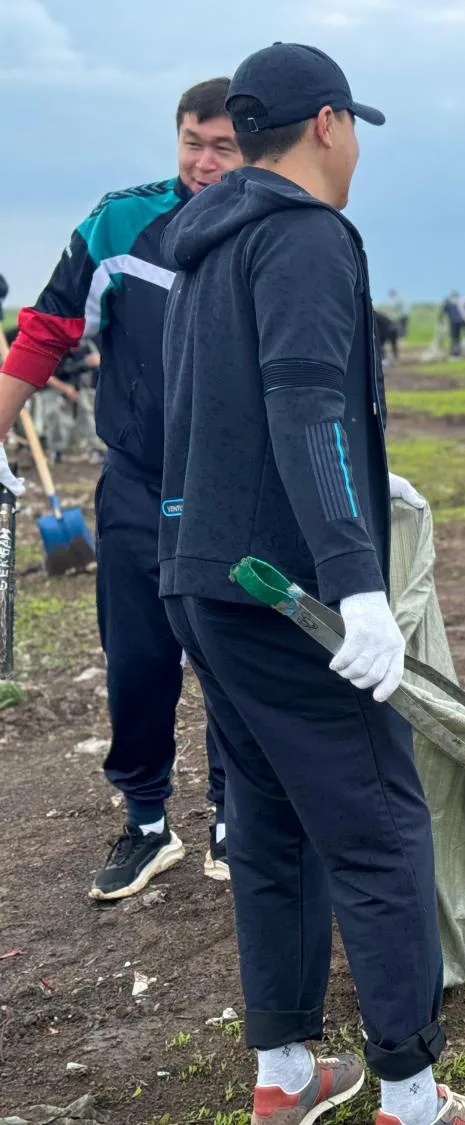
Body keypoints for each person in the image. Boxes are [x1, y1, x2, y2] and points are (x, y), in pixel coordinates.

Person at [158, 43, 465, 1125]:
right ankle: (410, 1093)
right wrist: (357, 582)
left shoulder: (203, 245)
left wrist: (363, 475)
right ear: (326, 124)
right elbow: (307, 403)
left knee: (269, 822)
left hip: (203, 575)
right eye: (353, 126)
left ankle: (286, 1074)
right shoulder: (308, 237)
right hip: (289, 590)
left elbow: (219, 419)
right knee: (379, 826)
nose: (356, 147)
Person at [0, 77, 238, 898]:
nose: (206, 162)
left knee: (233, 655)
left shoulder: (275, 229)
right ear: (176, 139)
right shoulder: (120, 224)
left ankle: (235, 818)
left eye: (224, 146)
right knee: (138, 657)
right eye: (192, 143)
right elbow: (45, 331)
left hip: (235, 490)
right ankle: (145, 822)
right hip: (137, 483)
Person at [441, 291, 465, 358]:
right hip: (460, 322)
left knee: (454, 338)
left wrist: (441, 321)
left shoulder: (448, 303)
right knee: (457, 337)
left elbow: (443, 312)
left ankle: (455, 353)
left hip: (454, 322)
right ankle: (457, 352)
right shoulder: (459, 302)